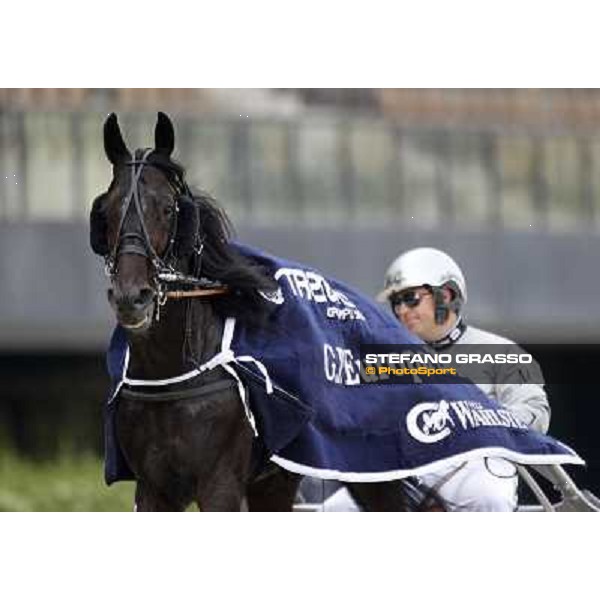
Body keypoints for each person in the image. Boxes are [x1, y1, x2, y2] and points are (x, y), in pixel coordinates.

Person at [322, 247, 550, 512]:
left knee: (488, 497)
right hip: (403, 469)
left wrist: (483, 424)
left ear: (447, 295)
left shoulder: (504, 351)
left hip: (477, 464)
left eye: (411, 298)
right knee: (335, 511)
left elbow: (536, 413)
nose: (402, 310)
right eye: (396, 302)